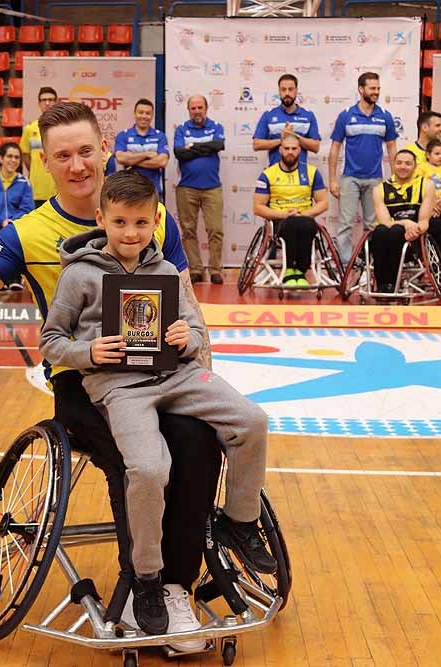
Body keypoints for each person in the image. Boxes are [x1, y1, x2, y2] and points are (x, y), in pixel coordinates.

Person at [0, 102, 263, 652]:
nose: (78, 164)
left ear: (102, 150)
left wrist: (201, 364)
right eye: (63, 155)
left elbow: (187, 303)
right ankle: (140, 586)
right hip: (85, 377)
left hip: (163, 368)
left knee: (198, 439)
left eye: (86, 151)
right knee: (131, 454)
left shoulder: (149, 216)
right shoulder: (28, 233)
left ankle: (173, 587)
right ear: (47, 160)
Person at [39, 171, 272, 635]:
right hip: (119, 387)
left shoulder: (165, 272)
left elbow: (198, 330)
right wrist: (87, 353)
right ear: (102, 217)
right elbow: (50, 340)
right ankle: (147, 577)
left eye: (141, 223)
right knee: (147, 469)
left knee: (253, 420)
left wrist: (189, 338)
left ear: (155, 222)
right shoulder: (79, 274)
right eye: (121, 222)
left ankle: (240, 522)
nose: (131, 233)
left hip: (178, 375)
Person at [328, 72, 399, 265]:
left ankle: (370, 264)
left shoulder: (385, 116)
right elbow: (335, 147)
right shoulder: (346, 115)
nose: (376, 92)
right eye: (372, 88)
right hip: (349, 178)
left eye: (378, 88)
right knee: (345, 225)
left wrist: (394, 180)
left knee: (373, 225)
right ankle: (345, 266)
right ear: (361, 89)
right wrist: (333, 180)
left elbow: (392, 148)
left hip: (375, 179)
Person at [252, 134, 329, 286]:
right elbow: (257, 207)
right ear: (280, 150)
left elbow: (323, 203)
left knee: (305, 224)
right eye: (286, 148)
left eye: (294, 149)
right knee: (292, 224)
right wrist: (283, 214)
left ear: (300, 150)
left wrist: (302, 214)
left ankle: (300, 271)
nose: (290, 152)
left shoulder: (312, 172)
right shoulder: (268, 174)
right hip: (280, 221)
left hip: (305, 218)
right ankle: (290, 271)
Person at [367, 150, 440, 294]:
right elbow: (385, 221)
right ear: (393, 165)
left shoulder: (426, 185)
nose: (403, 167)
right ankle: (383, 285)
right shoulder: (379, 189)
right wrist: (406, 222)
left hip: (414, 237)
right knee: (381, 230)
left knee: (395, 231)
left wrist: (414, 230)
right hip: (388, 234)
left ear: (415, 166)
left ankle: (392, 283)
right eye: (399, 163)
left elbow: (424, 222)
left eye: (408, 163)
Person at [173, 95, 225, 284]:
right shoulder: (181, 129)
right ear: (188, 110)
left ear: (206, 108)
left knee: (215, 230)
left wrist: (193, 147)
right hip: (187, 187)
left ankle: (215, 270)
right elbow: (180, 153)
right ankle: (195, 269)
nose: (197, 111)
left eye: (200, 107)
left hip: (212, 187)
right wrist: (206, 148)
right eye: (193, 108)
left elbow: (219, 145)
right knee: (188, 230)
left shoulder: (216, 126)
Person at [404, 111, 441, 261]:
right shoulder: (409, 152)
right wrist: (427, 204)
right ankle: (413, 259)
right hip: (417, 205)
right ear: (424, 127)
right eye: (437, 125)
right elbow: (405, 183)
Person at [0, 141, 33, 290]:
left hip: (16, 225)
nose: (13, 160)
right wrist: (1, 220)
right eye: (10, 156)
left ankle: (14, 279)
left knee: (13, 234)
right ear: (1, 159)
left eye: (17, 157)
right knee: (0, 234)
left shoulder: (24, 182)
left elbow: (28, 209)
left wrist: (12, 220)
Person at [253, 74, 321, 166]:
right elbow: (256, 145)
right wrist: (281, 140)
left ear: (296, 91)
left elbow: (316, 147)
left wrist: (294, 137)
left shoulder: (308, 115)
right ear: (279, 91)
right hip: (274, 174)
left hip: (300, 174)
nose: (287, 93)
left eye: (290, 89)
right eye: (283, 89)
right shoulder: (268, 115)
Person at [114, 98, 170, 197]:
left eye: (148, 113)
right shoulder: (123, 135)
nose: (144, 116)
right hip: (129, 191)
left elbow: (162, 162)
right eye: (141, 112)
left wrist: (131, 160)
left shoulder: (160, 136)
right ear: (135, 114)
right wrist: (147, 154)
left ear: (152, 116)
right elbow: (120, 158)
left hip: (153, 191)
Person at [20, 86, 59, 207]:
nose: (47, 103)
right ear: (39, 103)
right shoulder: (30, 129)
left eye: (51, 100)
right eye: (44, 100)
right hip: (37, 190)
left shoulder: (63, 128)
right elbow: (26, 156)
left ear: (56, 102)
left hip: (59, 189)